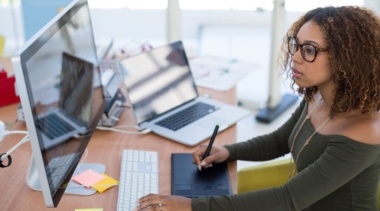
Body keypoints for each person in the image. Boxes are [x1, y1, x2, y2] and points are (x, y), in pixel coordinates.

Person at [134, 6, 380, 211]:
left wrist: (191, 206)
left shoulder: (364, 131)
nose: (294, 57)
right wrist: (227, 151)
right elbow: (279, 140)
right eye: (297, 45)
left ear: (346, 60)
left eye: (309, 50)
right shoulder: (317, 96)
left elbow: (286, 199)